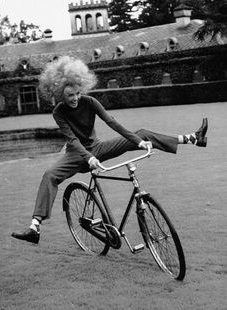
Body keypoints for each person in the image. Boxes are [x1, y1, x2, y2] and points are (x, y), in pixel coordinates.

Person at [11, 56, 208, 245]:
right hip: (76, 155)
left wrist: (138, 142)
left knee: (143, 133)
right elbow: (72, 139)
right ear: (59, 93)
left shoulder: (90, 102)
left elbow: (112, 123)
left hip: (97, 149)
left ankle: (192, 138)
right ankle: (35, 228)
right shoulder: (59, 112)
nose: (75, 98)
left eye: (78, 93)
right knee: (49, 174)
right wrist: (88, 158)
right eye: (70, 95)